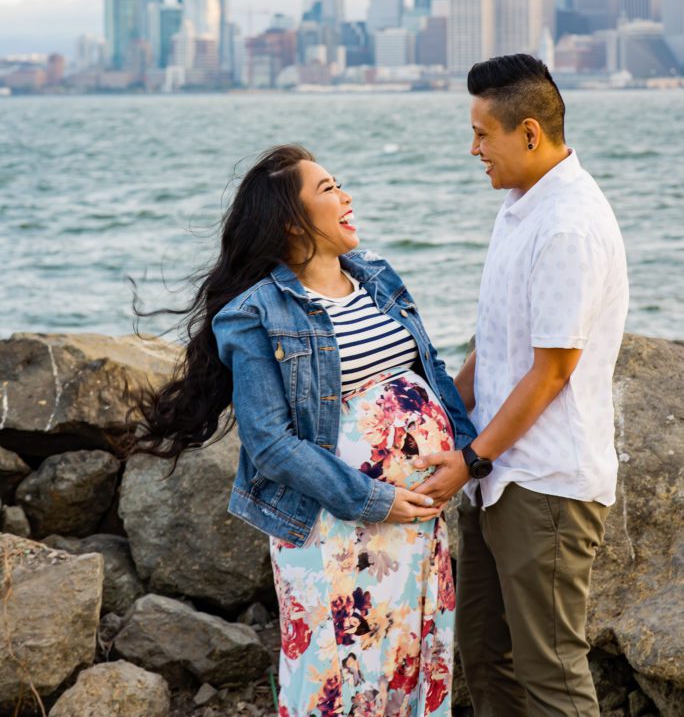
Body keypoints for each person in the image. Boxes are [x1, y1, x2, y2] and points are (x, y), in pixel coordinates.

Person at [130, 144, 476, 717]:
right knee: (336, 680)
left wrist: (464, 454)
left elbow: (430, 370)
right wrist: (373, 498)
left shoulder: (377, 277)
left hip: (414, 521)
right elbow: (269, 443)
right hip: (333, 524)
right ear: (291, 222)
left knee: (412, 664)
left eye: (340, 185)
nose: (346, 197)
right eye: (328, 189)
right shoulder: (256, 312)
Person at [411, 55, 629, 717]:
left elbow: (552, 371)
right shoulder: (522, 206)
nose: (473, 148)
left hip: (546, 485)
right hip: (496, 476)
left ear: (529, 132)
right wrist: (444, 417)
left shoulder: (567, 224)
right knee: (484, 653)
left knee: (550, 672)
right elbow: (496, 343)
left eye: (483, 134)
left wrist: (472, 457)